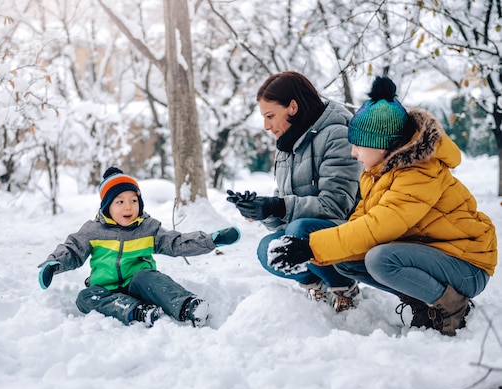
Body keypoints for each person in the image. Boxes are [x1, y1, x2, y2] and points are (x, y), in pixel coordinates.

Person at [268, 76, 497, 336]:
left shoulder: (418, 173)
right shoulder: (379, 173)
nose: (353, 153)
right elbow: (360, 222)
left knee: (380, 259)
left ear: (382, 145)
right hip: (433, 253)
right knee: (346, 261)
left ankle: (454, 306)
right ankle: (424, 303)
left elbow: (377, 227)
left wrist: (311, 246)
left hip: (466, 265)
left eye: (358, 145)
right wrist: (317, 250)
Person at [38, 167, 240, 328]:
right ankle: (139, 312)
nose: (128, 207)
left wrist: (210, 240)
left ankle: (187, 305)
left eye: (134, 200)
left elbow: (176, 242)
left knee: (147, 276)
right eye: (120, 202)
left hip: (140, 285)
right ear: (107, 207)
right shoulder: (93, 231)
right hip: (106, 291)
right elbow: (72, 250)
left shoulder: (147, 228)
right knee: (85, 298)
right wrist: (53, 264)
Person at [227, 71, 362, 311]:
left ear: (292, 107)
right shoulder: (287, 145)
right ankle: (318, 285)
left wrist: (278, 206)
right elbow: (285, 209)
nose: (266, 126)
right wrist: (263, 209)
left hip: (347, 234)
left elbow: (335, 206)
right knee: (267, 249)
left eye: (270, 116)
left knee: (299, 230)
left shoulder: (338, 135)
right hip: (305, 235)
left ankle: (343, 287)